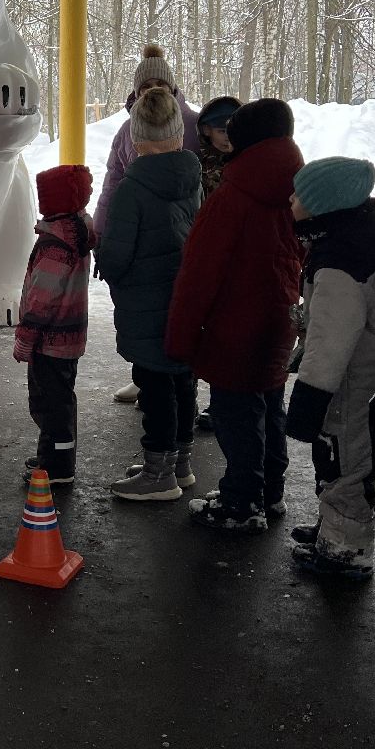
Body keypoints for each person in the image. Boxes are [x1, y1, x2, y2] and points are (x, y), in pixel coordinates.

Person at [165, 98, 305, 532]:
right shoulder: (296, 187)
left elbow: (199, 275)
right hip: (278, 320)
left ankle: (241, 503)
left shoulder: (232, 197)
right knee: (269, 409)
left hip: (233, 329)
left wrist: (181, 340)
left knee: (235, 417)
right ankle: (269, 493)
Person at [283, 157, 375, 579]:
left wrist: (308, 398)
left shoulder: (339, 262)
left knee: (345, 463)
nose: (291, 199)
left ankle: (345, 551)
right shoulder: (355, 241)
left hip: (351, 385)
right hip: (365, 379)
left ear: (323, 208)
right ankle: (333, 528)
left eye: (299, 195)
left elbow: (332, 339)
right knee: (344, 458)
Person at [97, 88, 204, 501]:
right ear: (179, 135)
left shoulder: (132, 188)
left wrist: (104, 259)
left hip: (145, 306)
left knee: (154, 385)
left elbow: (118, 255)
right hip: (185, 301)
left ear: (135, 140)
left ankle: (159, 475)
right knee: (183, 380)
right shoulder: (192, 179)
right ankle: (180, 462)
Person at [93, 44, 200, 408]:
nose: (153, 89)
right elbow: (112, 184)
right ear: (135, 91)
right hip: (141, 242)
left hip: (179, 245)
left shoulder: (193, 124)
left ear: (173, 87)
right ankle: (147, 379)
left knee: (176, 319)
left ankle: (173, 386)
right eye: (145, 84)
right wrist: (101, 232)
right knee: (148, 319)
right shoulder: (126, 130)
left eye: (160, 82)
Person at [14, 165, 97, 486]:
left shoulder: (55, 244)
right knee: (58, 400)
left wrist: (25, 337)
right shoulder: (76, 233)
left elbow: (41, 298)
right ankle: (54, 453)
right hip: (69, 337)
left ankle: (58, 466)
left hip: (50, 340)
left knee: (50, 404)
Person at [190, 94, 241, 433]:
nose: (226, 136)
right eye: (220, 130)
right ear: (206, 131)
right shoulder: (195, 163)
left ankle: (222, 403)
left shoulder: (247, 163)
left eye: (231, 129)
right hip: (204, 255)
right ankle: (193, 397)